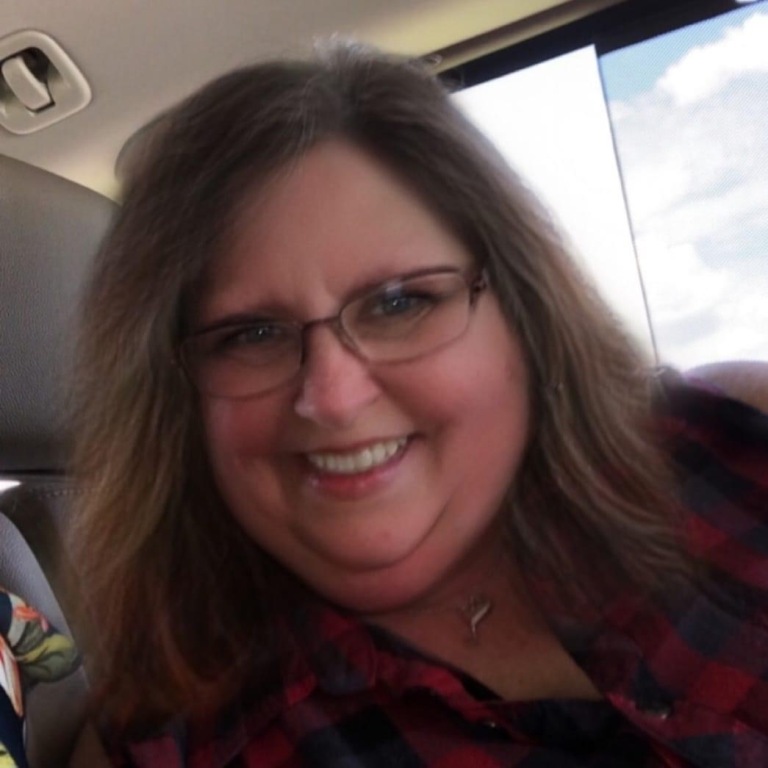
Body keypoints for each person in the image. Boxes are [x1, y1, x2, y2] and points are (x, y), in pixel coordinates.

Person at [69, 43, 768, 767]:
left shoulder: (737, 441)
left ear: (522, 309)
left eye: (401, 302)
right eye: (251, 335)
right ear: (175, 405)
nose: (333, 398)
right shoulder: (167, 748)